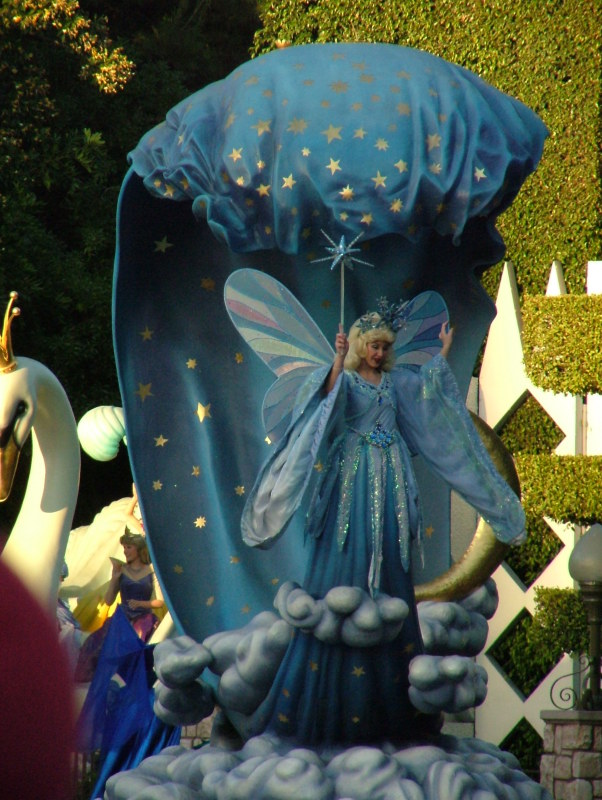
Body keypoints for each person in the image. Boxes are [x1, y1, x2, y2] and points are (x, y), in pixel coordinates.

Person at [241, 303, 526, 745]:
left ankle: (390, 670)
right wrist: (337, 361)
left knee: (391, 552)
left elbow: (428, 397)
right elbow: (326, 403)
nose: (378, 353)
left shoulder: (394, 383)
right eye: (372, 346)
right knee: (350, 549)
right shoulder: (347, 379)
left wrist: (443, 353)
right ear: (360, 347)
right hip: (353, 476)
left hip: (391, 477)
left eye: (383, 347)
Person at [75, 518, 164, 683]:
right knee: (99, 647)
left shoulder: (151, 572)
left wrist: (142, 604)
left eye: (128, 547)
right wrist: (115, 579)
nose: (125, 551)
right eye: (124, 548)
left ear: (138, 549)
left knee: (133, 651)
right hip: (121, 619)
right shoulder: (121, 571)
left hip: (143, 621)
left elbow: (160, 601)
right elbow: (108, 601)